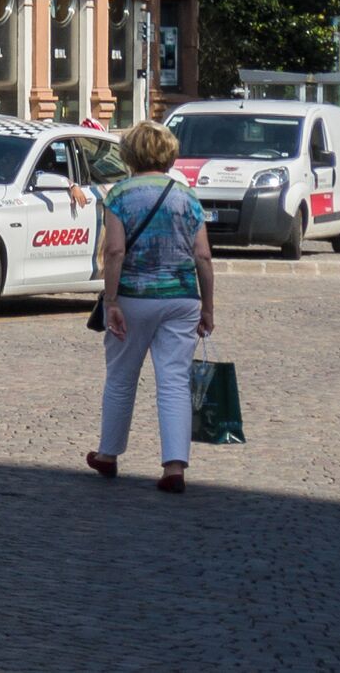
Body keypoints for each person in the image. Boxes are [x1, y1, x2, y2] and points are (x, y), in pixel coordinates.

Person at [89, 119, 217, 493]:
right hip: (181, 298)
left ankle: (108, 455)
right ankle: (174, 467)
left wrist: (110, 299)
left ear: (129, 154)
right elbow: (204, 257)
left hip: (133, 297)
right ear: (168, 155)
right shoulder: (187, 196)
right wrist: (207, 306)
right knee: (175, 381)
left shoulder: (120, 195)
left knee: (121, 377)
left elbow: (114, 250)